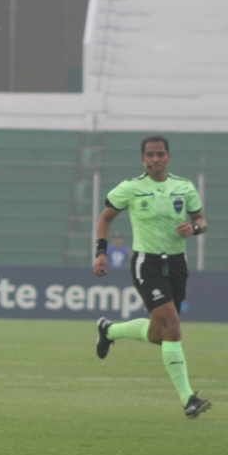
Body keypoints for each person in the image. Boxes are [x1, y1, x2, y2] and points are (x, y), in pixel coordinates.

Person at [92, 134, 211, 419]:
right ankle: (188, 399)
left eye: (160, 154)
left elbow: (202, 221)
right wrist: (101, 252)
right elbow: (105, 217)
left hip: (178, 265)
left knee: (161, 335)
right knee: (172, 324)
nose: (155, 159)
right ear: (142, 159)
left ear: (169, 156)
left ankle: (109, 330)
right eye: (150, 155)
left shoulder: (183, 186)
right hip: (147, 265)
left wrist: (194, 229)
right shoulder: (130, 188)